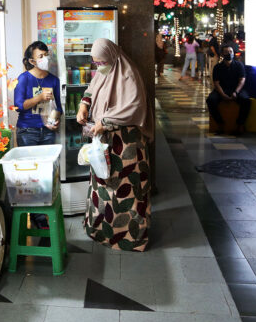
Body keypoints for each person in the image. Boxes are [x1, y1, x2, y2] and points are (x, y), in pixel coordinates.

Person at [76, 38, 152, 252]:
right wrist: (84, 105)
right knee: (103, 186)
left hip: (127, 144)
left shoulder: (129, 75)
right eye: (95, 63)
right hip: (104, 142)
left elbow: (134, 107)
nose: (98, 67)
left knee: (126, 191)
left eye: (101, 62)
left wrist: (105, 122)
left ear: (112, 57)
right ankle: (100, 231)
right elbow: (91, 90)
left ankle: (129, 238)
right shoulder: (104, 72)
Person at [14, 41, 63, 230]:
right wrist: (39, 98)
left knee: (47, 174)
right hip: (28, 131)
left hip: (47, 132)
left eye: (46, 54)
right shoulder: (24, 78)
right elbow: (19, 105)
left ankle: (45, 212)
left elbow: (58, 107)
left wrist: (54, 121)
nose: (45, 58)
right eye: (40, 56)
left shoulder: (53, 80)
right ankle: (38, 218)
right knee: (31, 176)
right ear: (32, 61)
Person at [206, 46, 251, 133]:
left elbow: (242, 80)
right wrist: (222, 94)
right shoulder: (218, 67)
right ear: (222, 54)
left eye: (231, 51)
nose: (229, 53)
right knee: (210, 100)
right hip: (222, 89)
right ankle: (220, 123)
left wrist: (236, 92)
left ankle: (240, 125)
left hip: (236, 89)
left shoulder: (239, 65)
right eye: (226, 52)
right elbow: (216, 83)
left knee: (246, 100)